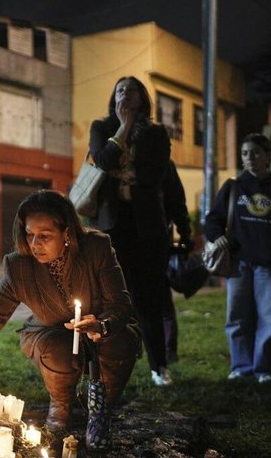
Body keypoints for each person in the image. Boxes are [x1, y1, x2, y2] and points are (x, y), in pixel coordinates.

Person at [0, 190, 140, 452]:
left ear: (67, 233)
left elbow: (120, 304)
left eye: (45, 236)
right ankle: (60, 411)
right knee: (56, 349)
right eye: (29, 234)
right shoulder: (20, 267)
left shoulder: (96, 248)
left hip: (99, 327)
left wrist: (101, 325)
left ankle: (99, 411)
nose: (35, 243)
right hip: (50, 332)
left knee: (123, 340)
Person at [88, 76, 172, 386]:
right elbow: (101, 161)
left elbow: (154, 174)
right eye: (120, 89)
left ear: (142, 98)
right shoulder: (102, 127)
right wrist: (122, 128)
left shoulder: (156, 132)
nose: (126, 93)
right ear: (114, 96)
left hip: (148, 228)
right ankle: (108, 366)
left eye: (132, 89)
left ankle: (159, 367)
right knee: (110, 299)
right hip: (112, 226)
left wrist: (121, 168)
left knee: (148, 298)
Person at [204, 133, 271, 383]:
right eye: (245, 153)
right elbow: (213, 220)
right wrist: (218, 237)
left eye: (256, 152)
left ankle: (265, 370)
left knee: (268, 319)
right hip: (239, 264)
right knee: (237, 317)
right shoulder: (234, 186)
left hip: (270, 264)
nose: (250, 158)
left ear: (267, 156)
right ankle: (241, 367)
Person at [161, 161, 195, 364]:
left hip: (154, 239)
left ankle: (166, 351)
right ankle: (167, 350)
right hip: (156, 237)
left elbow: (176, 201)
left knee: (159, 299)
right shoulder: (163, 161)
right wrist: (185, 234)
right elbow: (177, 202)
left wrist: (185, 233)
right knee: (162, 300)